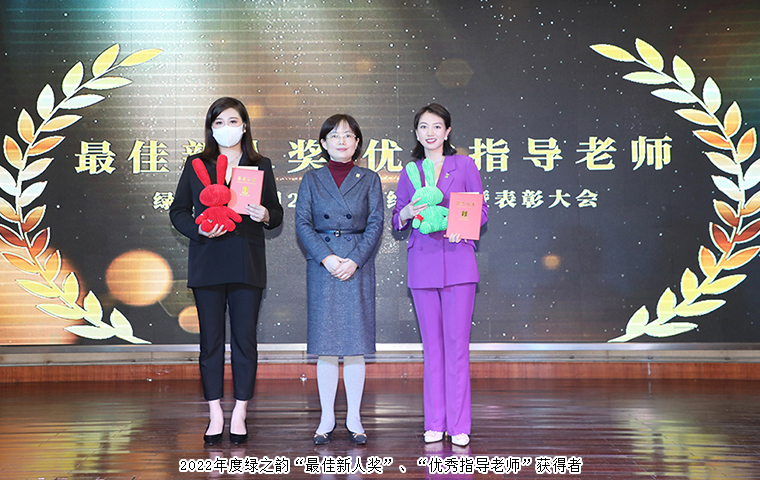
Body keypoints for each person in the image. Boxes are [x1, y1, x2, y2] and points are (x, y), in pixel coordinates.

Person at [170, 97, 283, 446]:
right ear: (211, 128)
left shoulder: (260, 164)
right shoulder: (196, 164)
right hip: (208, 262)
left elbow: (276, 212)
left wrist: (265, 215)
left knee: (245, 340)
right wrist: (199, 229)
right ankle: (215, 413)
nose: (226, 128)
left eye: (232, 121)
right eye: (218, 122)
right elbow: (178, 211)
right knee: (211, 342)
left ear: (245, 126)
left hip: (247, 263)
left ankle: (240, 412)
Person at [392, 103, 488, 447]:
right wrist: (406, 211)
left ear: (447, 131)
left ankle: (459, 424)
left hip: (459, 262)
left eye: (436, 126)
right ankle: (435, 421)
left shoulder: (464, 165)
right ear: (416, 133)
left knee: (457, 347)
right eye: (423, 127)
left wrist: (463, 223)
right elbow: (396, 219)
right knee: (432, 348)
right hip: (422, 264)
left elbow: (481, 209)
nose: (430, 132)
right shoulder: (410, 171)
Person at [295, 114, 384, 445]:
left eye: (348, 135)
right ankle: (326, 418)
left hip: (357, 264)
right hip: (323, 265)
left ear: (357, 142)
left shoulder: (370, 178)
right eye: (334, 135)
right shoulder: (311, 179)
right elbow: (302, 223)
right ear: (323, 143)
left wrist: (355, 260)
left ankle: (355, 417)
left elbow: (375, 223)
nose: (341, 141)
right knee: (326, 346)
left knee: (355, 345)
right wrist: (327, 257)